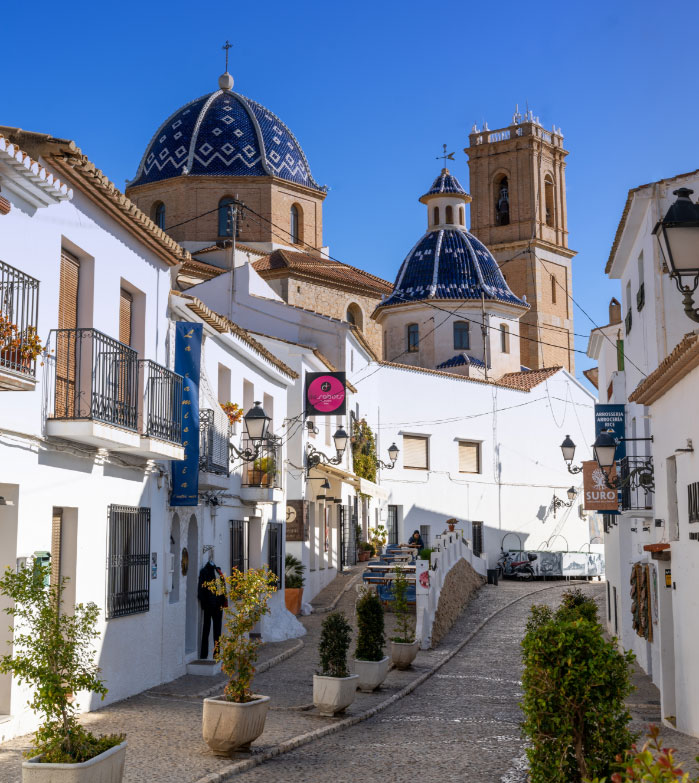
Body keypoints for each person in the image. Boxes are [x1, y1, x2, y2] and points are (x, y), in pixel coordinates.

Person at [197, 555, 226, 660]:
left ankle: (216, 654)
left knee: (217, 632)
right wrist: (205, 603)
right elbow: (201, 590)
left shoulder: (218, 571)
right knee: (206, 630)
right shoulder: (204, 572)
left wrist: (223, 601)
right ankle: (203, 655)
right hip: (209, 605)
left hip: (218, 605)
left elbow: (222, 588)